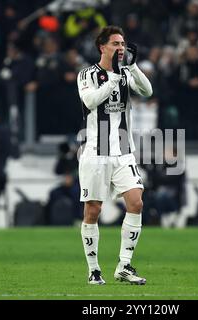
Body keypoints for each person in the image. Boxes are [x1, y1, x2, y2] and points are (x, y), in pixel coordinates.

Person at [76, 26, 152, 285]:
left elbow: (147, 91)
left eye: (123, 43)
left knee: (136, 202)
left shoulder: (126, 72)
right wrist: (113, 79)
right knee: (93, 211)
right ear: (102, 47)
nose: (121, 48)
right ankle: (94, 269)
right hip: (96, 152)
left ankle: (124, 265)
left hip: (123, 152)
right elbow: (90, 101)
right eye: (116, 44)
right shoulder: (87, 74)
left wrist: (133, 68)